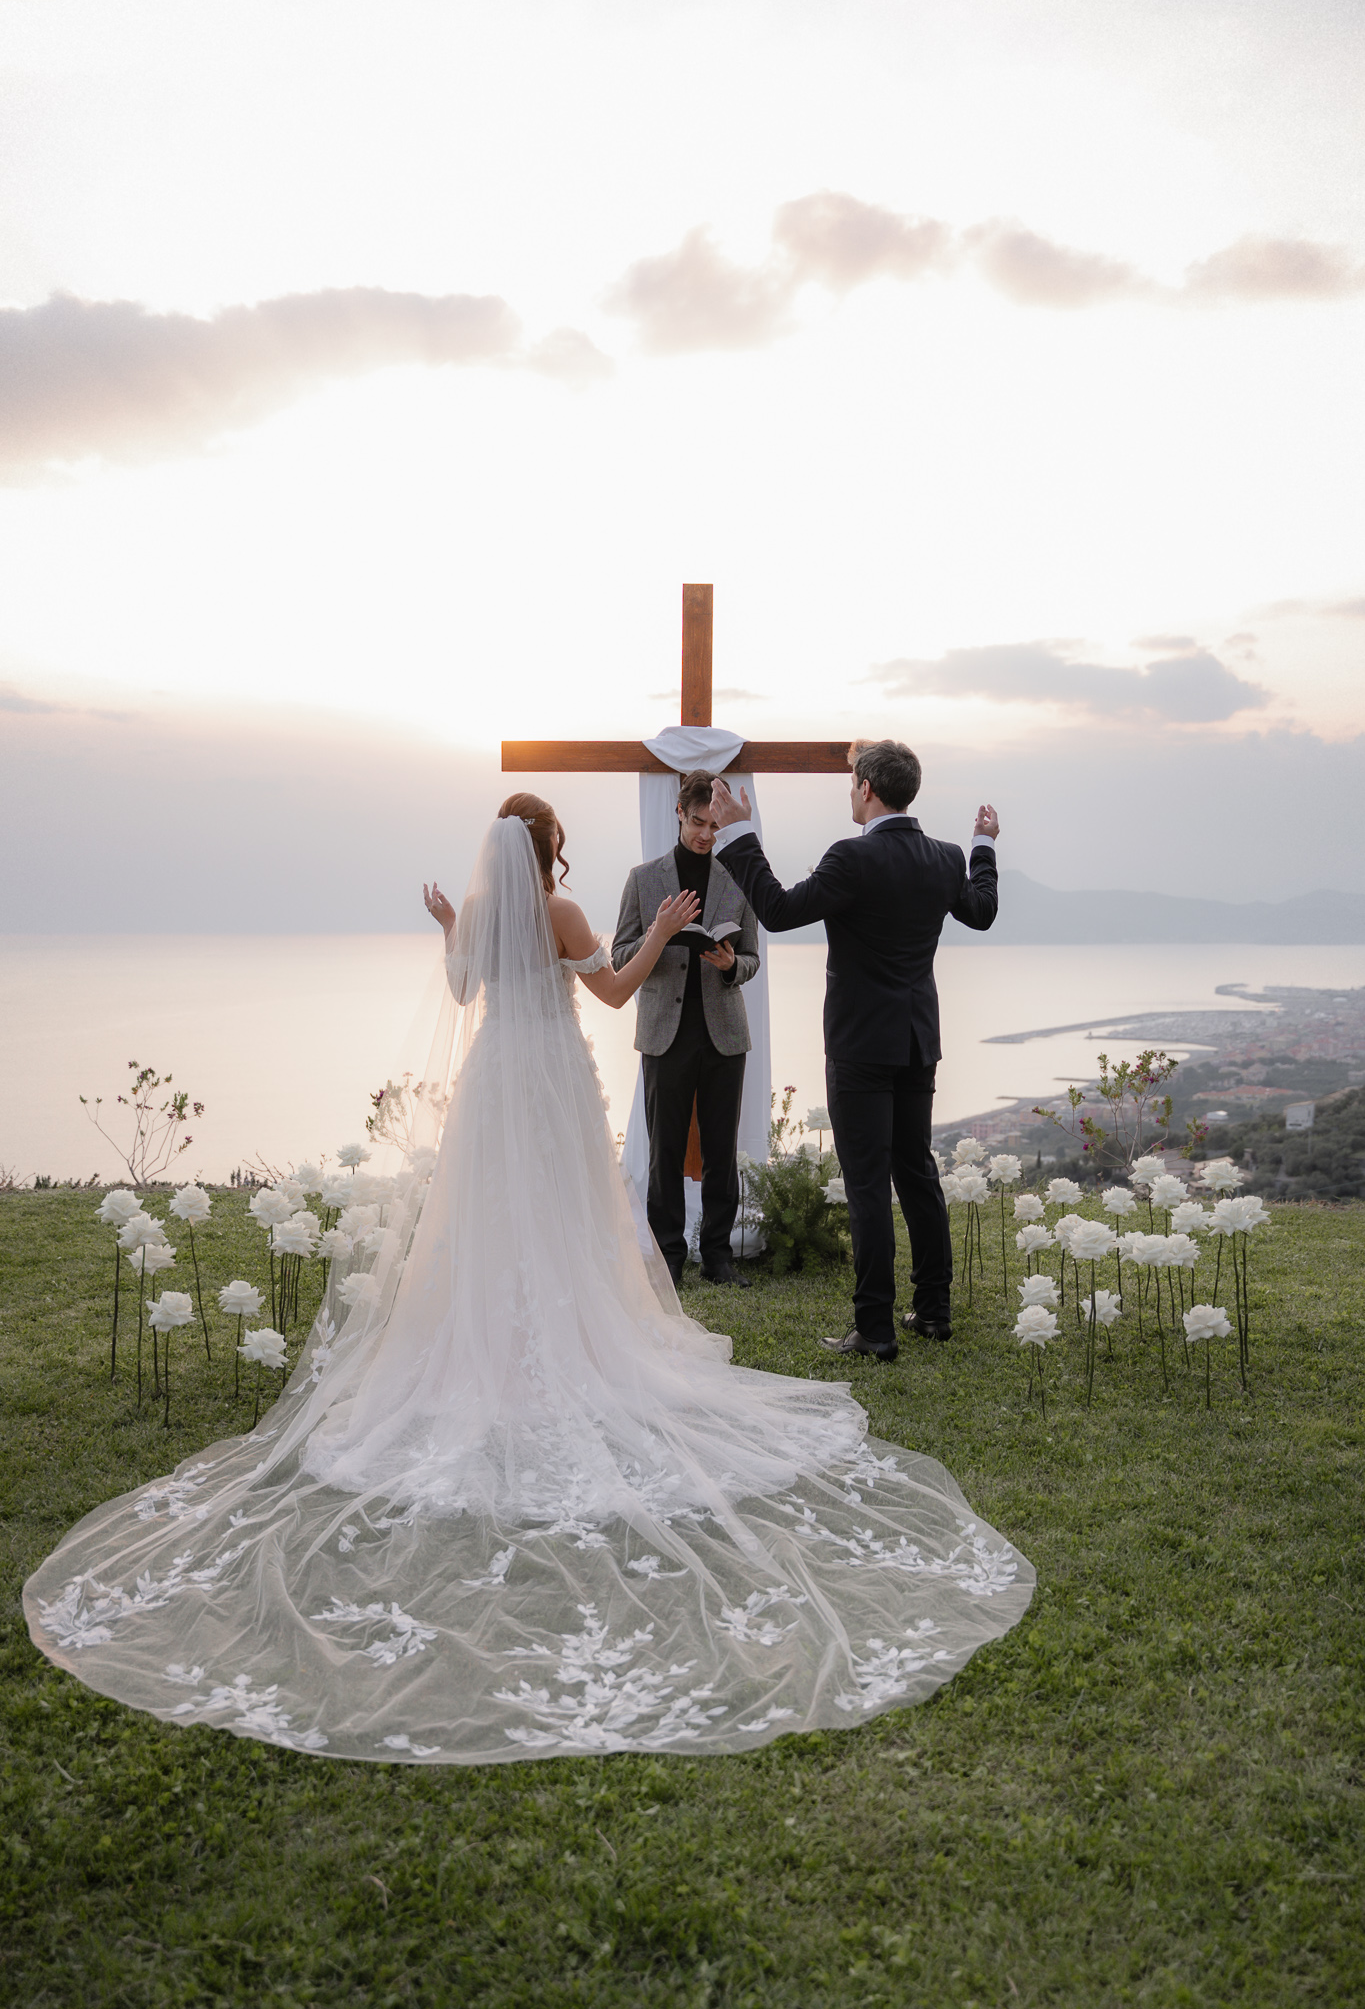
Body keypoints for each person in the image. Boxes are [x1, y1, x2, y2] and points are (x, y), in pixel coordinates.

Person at [23, 792, 1030, 1766]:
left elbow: (464, 989)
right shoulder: (557, 906)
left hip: (494, 1085)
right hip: (547, 1081)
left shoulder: (490, 910)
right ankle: (562, 1348)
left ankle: (485, 1354)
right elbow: (616, 990)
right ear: (548, 845)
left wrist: (446, 925)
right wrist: (667, 925)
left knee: (490, 1221)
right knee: (559, 1217)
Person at [712, 741, 999, 1360]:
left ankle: (875, 1328)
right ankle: (934, 1309)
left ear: (868, 787)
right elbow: (981, 912)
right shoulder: (946, 858)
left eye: (851, 782)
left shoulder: (851, 857)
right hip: (918, 1039)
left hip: (860, 1046)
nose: (849, 791)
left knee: (868, 1184)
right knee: (916, 1173)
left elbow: (780, 910)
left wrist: (739, 832)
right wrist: (983, 845)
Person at [612, 770, 760, 1289]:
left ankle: (718, 1256)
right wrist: (662, 932)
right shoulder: (643, 879)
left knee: (722, 1150)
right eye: (698, 823)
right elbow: (619, 957)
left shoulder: (738, 876)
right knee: (665, 1151)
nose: (706, 835)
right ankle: (667, 1257)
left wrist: (729, 965)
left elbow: (752, 959)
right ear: (680, 812)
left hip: (724, 1030)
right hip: (663, 1031)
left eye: (714, 826)